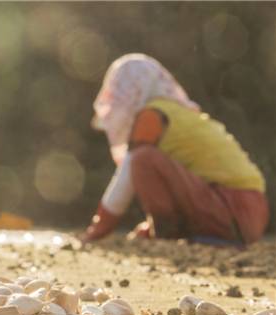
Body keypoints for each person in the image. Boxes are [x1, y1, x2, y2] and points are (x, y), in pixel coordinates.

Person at [82, 54, 268, 245]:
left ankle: (167, 237)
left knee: (143, 159)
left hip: (233, 209)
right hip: (251, 213)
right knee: (146, 159)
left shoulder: (152, 115)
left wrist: (97, 230)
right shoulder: (177, 112)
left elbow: (128, 173)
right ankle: (178, 233)